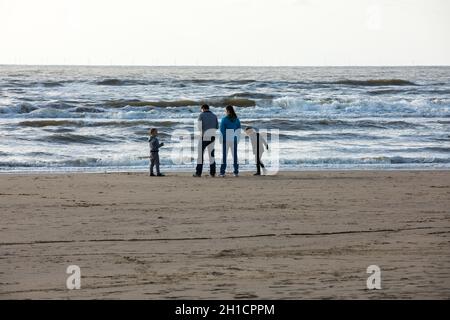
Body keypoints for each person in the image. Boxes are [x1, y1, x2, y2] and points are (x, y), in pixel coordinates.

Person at [193, 104, 218, 177]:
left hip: (204, 137)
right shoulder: (214, 115)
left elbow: (199, 127)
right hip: (212, 137)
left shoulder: (201, 115)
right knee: (211, 155)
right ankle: (212, 173)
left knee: (200, 155)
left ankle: (198, 173)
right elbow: (217, 127)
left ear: (203, 109)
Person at [219, 105, 241, 177]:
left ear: (227, 111)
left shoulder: (224, 119)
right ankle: (236, 172)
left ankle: (222, 172)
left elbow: (222, 130)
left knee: (224, 156)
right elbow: (238, 130)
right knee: (235, 156)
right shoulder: (236, 119)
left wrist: (221, 139)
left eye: (225, 110)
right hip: (234, 139)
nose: (225, 112)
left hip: (226, 139)